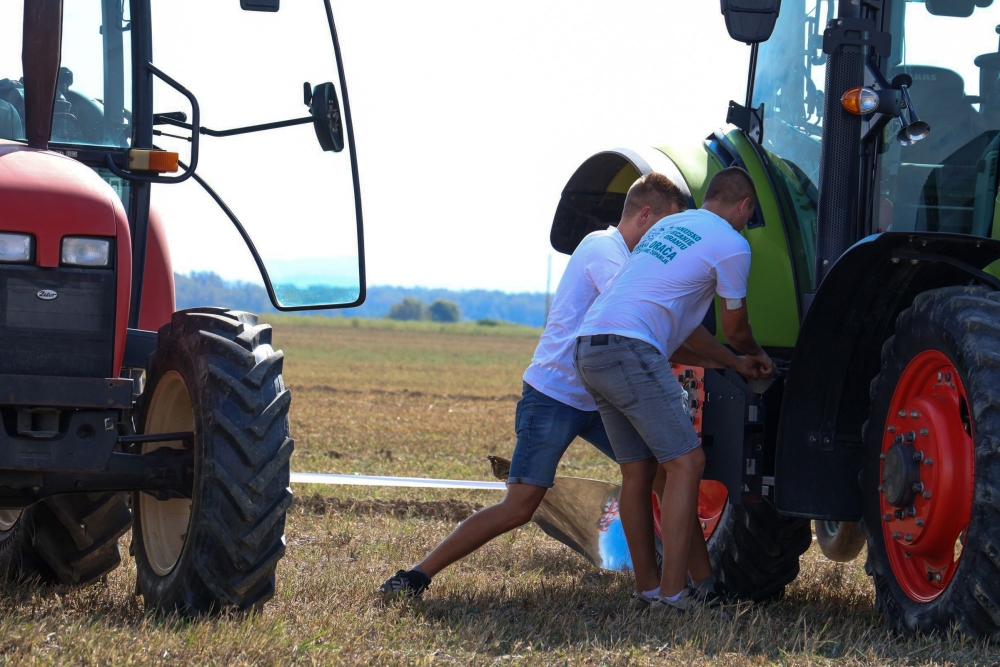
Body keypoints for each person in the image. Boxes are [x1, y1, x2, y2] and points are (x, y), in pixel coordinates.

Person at [377, 172, 752, 599]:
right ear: (646, 215)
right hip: (555, 394)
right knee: (520, 505)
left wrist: (730, 361)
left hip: (598, 392)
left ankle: (700, 586)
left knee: (665, 474)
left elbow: (666, 334)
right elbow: (644, 322)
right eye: (666, 225)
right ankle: (416, 575)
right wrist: (733, 358)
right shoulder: (602, 248)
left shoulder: (632, 260)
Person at [574, 166, 772, 614]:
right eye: (750, 216)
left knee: (639, 471)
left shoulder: (668, 228)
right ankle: (673, 597)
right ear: (744, 207)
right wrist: (754, 356)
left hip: (590, 345)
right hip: (629, 348)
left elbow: (680, 333)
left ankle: (649, 591)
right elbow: (736, 327)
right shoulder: (732, 244)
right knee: (688, 463)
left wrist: (733, 363)